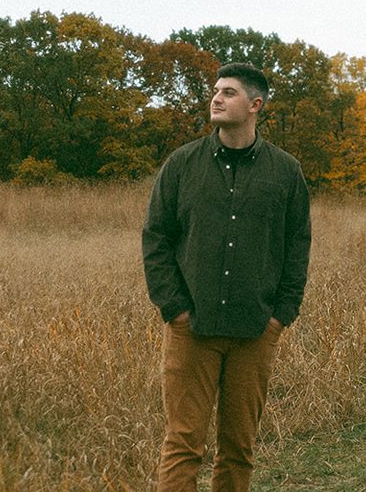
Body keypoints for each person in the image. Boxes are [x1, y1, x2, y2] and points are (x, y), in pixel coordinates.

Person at [142, 62, 312, 492]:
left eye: (229, 92)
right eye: (215, 90)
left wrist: (280, 317)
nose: (216, 98)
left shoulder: (285, 172)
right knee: (183, 443)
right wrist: (174, 308)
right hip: (191, 329)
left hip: (255, 331)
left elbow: (298, 246)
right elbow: (156, 237)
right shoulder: (182, 165)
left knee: (238, 448)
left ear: (255, 105)